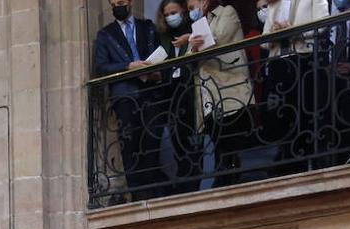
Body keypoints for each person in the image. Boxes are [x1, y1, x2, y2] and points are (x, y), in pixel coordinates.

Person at [93, 0, 165, 201]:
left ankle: (153, 188)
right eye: (114, 3)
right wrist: (128, 67)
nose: (118, 6)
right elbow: (101, 67)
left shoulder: (147, 27)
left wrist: (156, 72)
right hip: (125, 96)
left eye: (122, 2)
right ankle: (137, 191)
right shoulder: (105, 34)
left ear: (131, 2)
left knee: (152, 141)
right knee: (129, 145)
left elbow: (161, 56)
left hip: (150, 93)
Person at [188, 0, 256, 187]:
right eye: (189, 9)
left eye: (194, 5)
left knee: (232, 140)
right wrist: (193, 44)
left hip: (230, 89)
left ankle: (232, 180)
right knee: (217, 143)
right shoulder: (198, 25)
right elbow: (187, 57)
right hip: (208, 96)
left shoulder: (227, 12)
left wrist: (194, 43)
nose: (192, 11)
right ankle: (223, 179)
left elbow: (216, 40)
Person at [262, 0, 332, 175]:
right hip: (278, 62)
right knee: (281, 114)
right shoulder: (274, 3)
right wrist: (274, 32)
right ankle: (284, 160)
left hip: (303, 59)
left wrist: (293, 30)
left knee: (304, 110)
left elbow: (322, 24)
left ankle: (305, 160)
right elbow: (263, 42)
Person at [155, 0, 202, 190]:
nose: (170, 17)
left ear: (182, 11)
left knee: (192, 135)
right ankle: (183, 177)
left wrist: (189, 39)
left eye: (173, 12)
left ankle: (194, 179)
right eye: (166, 15)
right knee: (176, 136)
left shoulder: (193, 28)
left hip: (189, 87)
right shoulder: (164, 37)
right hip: (170, 90)